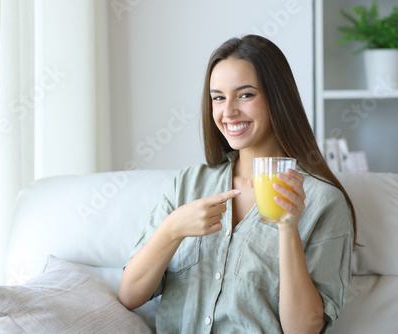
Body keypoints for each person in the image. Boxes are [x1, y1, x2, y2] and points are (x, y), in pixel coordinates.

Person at [119, 34, 356, 333]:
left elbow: (304, 330)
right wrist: (173, 228)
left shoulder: (323, 202)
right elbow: (129, 296)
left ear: (277, 98)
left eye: (245, 95)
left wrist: (288, 229)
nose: (228, 111)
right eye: (218, 97)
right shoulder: (189, 184)